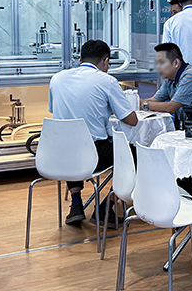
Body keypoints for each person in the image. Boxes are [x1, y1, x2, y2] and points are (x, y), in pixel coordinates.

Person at [48, 40, 138, 225]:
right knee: (134, 154)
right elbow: (132, 120)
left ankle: (76, 203)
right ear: (106, 61)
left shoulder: (56, 78)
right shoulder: (107, 81)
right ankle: (107, 206)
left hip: (58, 155)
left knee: (72, 140)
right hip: (93, 154)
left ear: (80, 60)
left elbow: (56, 112)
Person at [143, 42, 192, 118]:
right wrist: (138, 102)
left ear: (176, 63)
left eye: (161, 63)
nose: (158, 67)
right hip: (190, 123)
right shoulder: (170, 79)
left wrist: (144, 104)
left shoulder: (190, 75)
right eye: (156, 63)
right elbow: (154, 100)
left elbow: (171, 107)